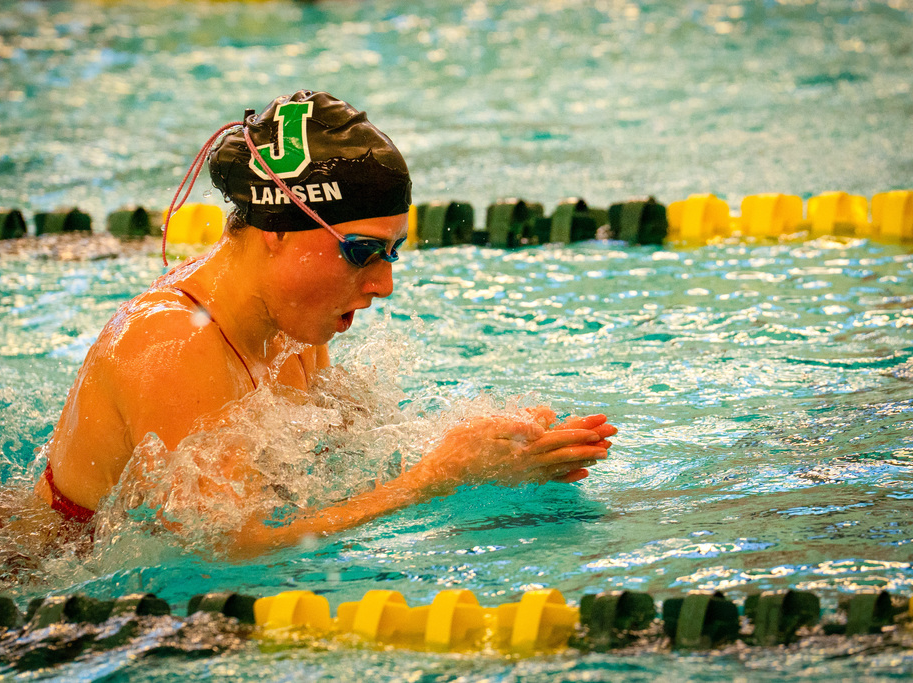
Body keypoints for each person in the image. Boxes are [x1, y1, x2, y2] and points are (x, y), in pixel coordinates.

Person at [33, 90, 616, 556]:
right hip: (24, 587)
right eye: (362, 251)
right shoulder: (173, 345)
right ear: (277, 231)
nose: (383, 284)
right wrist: (434, 481)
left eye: (393, 252)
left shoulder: (289, 324)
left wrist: (498, 450)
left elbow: (351, 449)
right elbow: (221, 549)